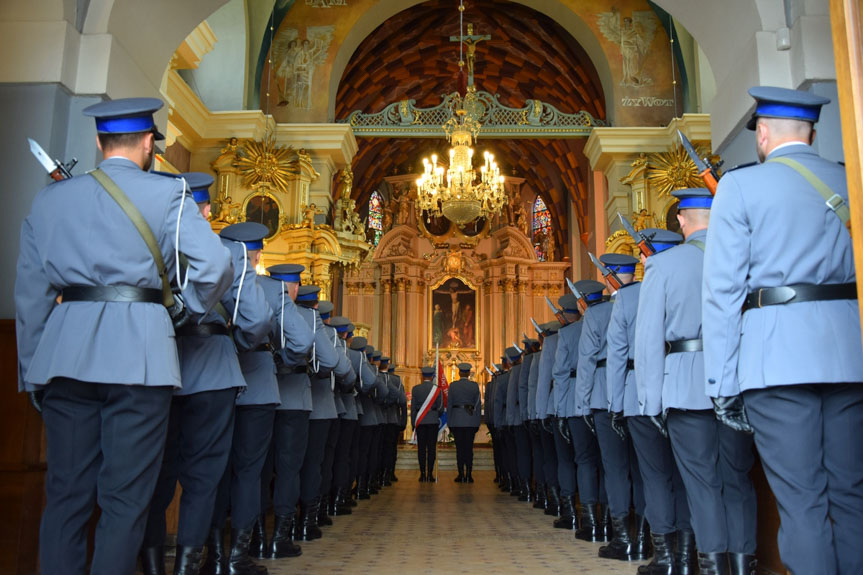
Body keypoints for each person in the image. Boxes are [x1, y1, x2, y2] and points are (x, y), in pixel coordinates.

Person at [15, 97, 233, 575]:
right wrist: (187, 312)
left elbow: (30, 297)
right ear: (150, 145)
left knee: (66, 499)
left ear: (98, 142)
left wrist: (32, 370)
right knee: (124, 502)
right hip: (141, 357)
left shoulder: (50, 200)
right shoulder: (169, 195)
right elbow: (216, 266)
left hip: (64, 359)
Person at [703, 86, 863, 575]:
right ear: (812, 132)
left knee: (802, 501)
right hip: (848, 355)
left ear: (763, 134)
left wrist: (721, 384)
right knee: (852, 494)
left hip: (776, 363)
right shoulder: (848, 179)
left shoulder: (741, 187)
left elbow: (723, 294)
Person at [637, 188, 757, 575]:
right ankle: (742, 566)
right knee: (737, 480)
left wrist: (650, 401)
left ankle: (712, 567)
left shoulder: (665, 265)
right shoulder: (745, 253)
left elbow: (649, 339)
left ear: (683, 221)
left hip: (686, 385)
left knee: (702, 484)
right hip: (739, 380)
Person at [617, 229, 692, 575]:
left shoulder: (633, 294)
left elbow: (638, 348)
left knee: (655, 477)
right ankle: (689, 557)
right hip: (694, 387)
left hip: (648, 393)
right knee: (688, 478)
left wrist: (639, 400)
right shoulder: (707, 263)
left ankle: (664, 557)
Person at [203, 222, 275, 575]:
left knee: (211, 472)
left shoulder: (201, 261)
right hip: (249, 382)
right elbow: (258, 319)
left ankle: (213, 558)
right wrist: (243, 346)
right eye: (259, 251)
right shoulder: (248, 274)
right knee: (248, 473)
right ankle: (236, 559)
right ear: (255, 252)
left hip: (205, 376)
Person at [594, 253, 649, 562]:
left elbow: (614, 356)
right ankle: (643, 539)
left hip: (618, 395)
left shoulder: (611, 308)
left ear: (609, 277)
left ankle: (623, 540)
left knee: (615, 469)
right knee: (646, 471)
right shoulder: (650, 291)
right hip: (653, 392)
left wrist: (613, 404)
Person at [257, 263, 314, 559]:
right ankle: (281, 537)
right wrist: (285, 361)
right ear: (293, 287)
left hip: (255, 395)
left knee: (255, 471)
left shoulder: (249, 293)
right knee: (290, 469)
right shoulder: (297, 312)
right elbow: (305, 343)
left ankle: (254, 537)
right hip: (291, 399)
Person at [293, 285, 341, 541]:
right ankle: (308, 520)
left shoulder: (281, 313)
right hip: (319, 406)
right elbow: (336, 364)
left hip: (282, 401)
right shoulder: (321, 328)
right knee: (316, 463)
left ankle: (277, 530)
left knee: (284, 467)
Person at [572, 279, 613, 543]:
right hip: (629, 397)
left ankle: (592, 523)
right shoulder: (622, 308)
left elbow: (585, 363)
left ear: (582, 302)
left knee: (586, 460)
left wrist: (581, 406)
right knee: (616, 466)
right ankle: (617, 527)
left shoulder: (589, 320)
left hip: (594, 399)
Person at [550, 294, 583, 530]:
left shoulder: (566, 335)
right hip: (598, 400)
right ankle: (601, 520)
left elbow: (558, 373)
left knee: (565, 460)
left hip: (569, 402)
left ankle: (570, 512)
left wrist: (558, 411)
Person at [447, 363, 482, 482]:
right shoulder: (474, 386)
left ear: (459, 373)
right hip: (470, 421)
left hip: (456, 421)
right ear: (468, 373)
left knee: (460, 449)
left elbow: (449, 405)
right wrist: (477, 422)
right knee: (469, 449)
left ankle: (461, 474)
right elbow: (478, 405)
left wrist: (450, 422)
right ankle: (469, 475)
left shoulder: (453, 386)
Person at [412, 366, 443, 482]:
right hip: (433, 421)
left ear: (422, 375)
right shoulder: (437, 390)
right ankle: (430, 474)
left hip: (420, 422)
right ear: (432, 376)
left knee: (421, 449)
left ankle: (422, 474)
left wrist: (414, 423)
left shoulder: (416, 389)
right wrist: (435, 415)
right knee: (431, 448)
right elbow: (440, 408)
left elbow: (414, 409)